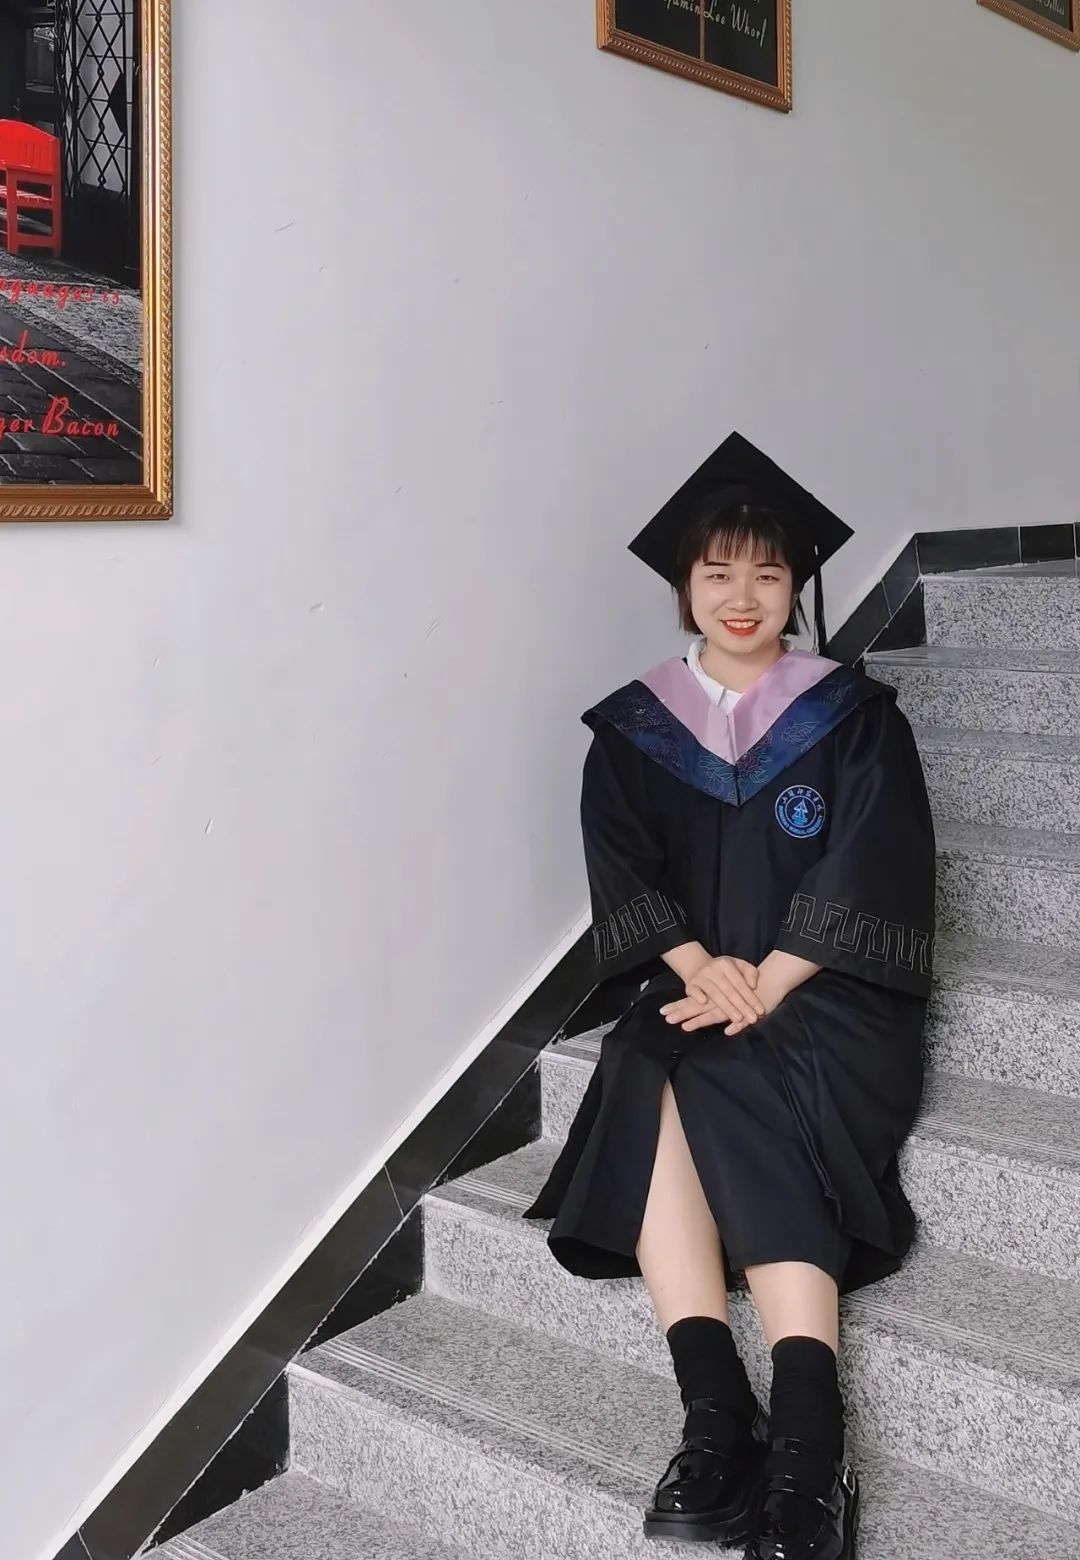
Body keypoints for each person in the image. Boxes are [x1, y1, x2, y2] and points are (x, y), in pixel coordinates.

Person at [521, 431, 936, 1560]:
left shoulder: (853, 715)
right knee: (641, 1056)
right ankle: (715, 1410)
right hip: (701, 977)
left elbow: (875, 861)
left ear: (797, 587)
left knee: (728, 1070)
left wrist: (774, 978)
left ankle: (810, 1435)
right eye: (717, 573)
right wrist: (700, 966)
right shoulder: (636, 729)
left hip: (833, 987)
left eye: (767, 573)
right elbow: (624, 866)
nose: (742, 597)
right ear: (684, 586)